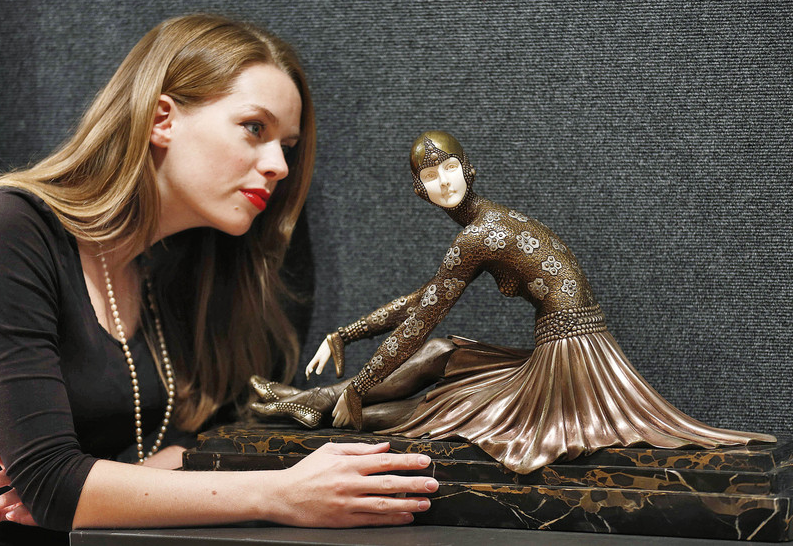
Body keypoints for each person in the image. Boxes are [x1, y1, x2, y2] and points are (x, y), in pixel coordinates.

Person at [0, 14, 438, 545]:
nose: (279, 166)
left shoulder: (176, 269)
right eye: (255, 128)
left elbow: (195, 438)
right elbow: (51, 485)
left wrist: (114, 480)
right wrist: (282, 494)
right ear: (161, 119)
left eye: (287, 146)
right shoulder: (13, 230)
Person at [250, 130, 776, 474]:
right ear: (420, 190)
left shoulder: (479, 235)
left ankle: (325, 405)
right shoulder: (483, 228)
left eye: (449, 168)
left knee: (442, 406)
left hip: (574, 354)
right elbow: (423, 299)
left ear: (468, 169)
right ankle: (312, 400)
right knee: (440, 356)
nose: (443, 181)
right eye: (431, 176)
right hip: (566, 340)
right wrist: (345, 334)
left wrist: (360, 386)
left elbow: (422, 317)